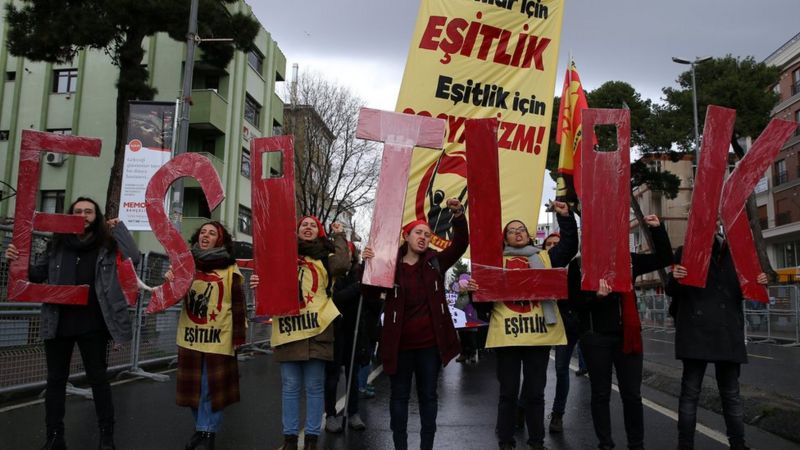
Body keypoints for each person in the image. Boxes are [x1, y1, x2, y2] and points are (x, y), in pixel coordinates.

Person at [5, 197, 140, 450]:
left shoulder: (107, 244)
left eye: (89, 211)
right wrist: (14, 260)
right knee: (55, 381)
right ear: (69, 215)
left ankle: (106, 438)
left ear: (96, 216)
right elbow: (35, 274)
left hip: (94, 323)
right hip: (59, 321)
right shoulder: (57, 244)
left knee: (98, 380)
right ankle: (54, 437)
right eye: (78, 211)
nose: (83, 215)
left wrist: (120, 228)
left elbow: (134, 257)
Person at [471, 201, 578, 450]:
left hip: (538, 335)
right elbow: (484, 306)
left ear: (529, 235)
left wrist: (565, 216)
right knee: (508, 393)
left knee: (535, 393)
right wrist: (477, 293)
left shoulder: (545, 257)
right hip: (507, 337)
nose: (517, 232)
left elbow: (570, 245)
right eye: (511, 230)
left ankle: (536, 442)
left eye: (521, 229)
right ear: (505, 238)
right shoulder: (494, 262)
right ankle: (506, 441)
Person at [362, 198, 467, 450]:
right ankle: (400, 445)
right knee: (398, 397)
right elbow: (368, 293)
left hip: (429, 346)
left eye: (428, 234)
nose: (424, 237)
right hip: (398, 345)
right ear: (406, 236)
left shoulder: (435, 263)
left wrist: (459, 216)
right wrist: (365, 265)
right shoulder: (389, 265)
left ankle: (426, 446)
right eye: (418, 233)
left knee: (428, 397)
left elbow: (460, 244)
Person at [570, 215, 673, 450]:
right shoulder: (578, 266)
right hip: (595, 338)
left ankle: (636, 444)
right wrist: (596, 297)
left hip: (627, 337)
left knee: (632, 395)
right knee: (600, 394)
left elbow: (664, 258)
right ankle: (605, 444)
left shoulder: (628, 261)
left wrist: (657, 229)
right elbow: (575, 303)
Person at [668, 233, 768, 450]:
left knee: (723, 394)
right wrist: (675, 277)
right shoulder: (686, 251)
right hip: (700, 332)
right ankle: (688, 445)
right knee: (696, 394)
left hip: (724, 332)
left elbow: (746, 291)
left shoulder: (737, 254)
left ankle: (737, 444)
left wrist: (760, 281)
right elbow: (672, 290)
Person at [166, 221, 257, 450]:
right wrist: (171, 280)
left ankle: (208, 434)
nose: (206, 235)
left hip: (219, 336)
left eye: (212, 233)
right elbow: (172, 297)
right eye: (203, 232)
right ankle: (203, 430)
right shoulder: (185, 266)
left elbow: (238, 305)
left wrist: (238, 338)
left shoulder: (230, 269)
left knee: (210, 388)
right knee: (192, 389)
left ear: (220, 239)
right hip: (191, 337)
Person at [275, 217, 349, 450]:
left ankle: (311, 440)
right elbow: (271, 281)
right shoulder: (283, 257)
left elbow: (343, 264)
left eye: (312, 225)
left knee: (315, 386)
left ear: (319, 232)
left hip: (317, 330)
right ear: (296, 231)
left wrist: (339, 236)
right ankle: (289, 439)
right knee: (290, 385)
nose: (307, 227)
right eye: (303, 225)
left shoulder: (326, 258)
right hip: (289, 329)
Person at [324, 242, 372, 432]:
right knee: (332, 376)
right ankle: (330, 415)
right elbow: (334, 298)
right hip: (335, 330)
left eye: (349, 251)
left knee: (352, 374)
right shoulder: (331, 275)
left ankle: (353, 413)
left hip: (354, 330)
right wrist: (356, 288)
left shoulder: (360, 272)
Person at [545, 231, 581, 433]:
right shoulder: (536, 266)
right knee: (535, 370)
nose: (552, 247)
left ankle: (558, 414)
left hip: (566, 326)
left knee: (561, 369)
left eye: (556, 243)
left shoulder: (573, 269)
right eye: (548, 244)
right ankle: (524, 407)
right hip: (539, 325)